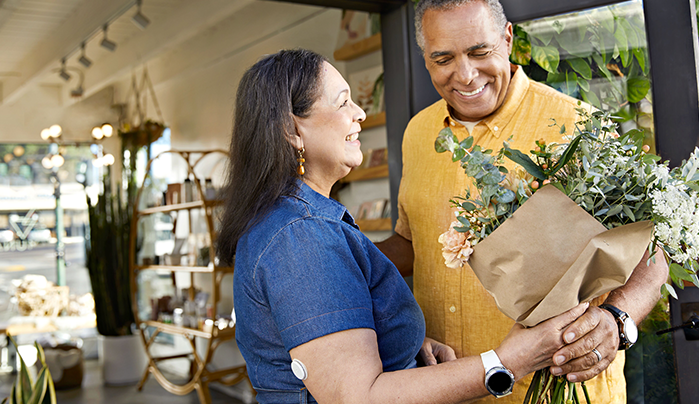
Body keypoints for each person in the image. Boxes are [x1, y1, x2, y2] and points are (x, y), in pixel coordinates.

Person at [216, 48, 602, 403]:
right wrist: (505, 361)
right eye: (342, 101)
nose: (360, 113)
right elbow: (359, 397)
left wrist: (398, 341)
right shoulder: (301, 236)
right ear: (291, 129)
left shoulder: (296, 221)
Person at [375, 1, 671, 403]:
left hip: (560, 392)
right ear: (425, 58)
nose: (465, 75)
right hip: (448, 390)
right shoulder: (417, 133)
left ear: (508, 39)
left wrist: (617, 321)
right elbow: (415, 243)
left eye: (480, 52)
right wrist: (335, 258)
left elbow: (650, 251)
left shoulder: (578, 126)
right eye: (443, 58)